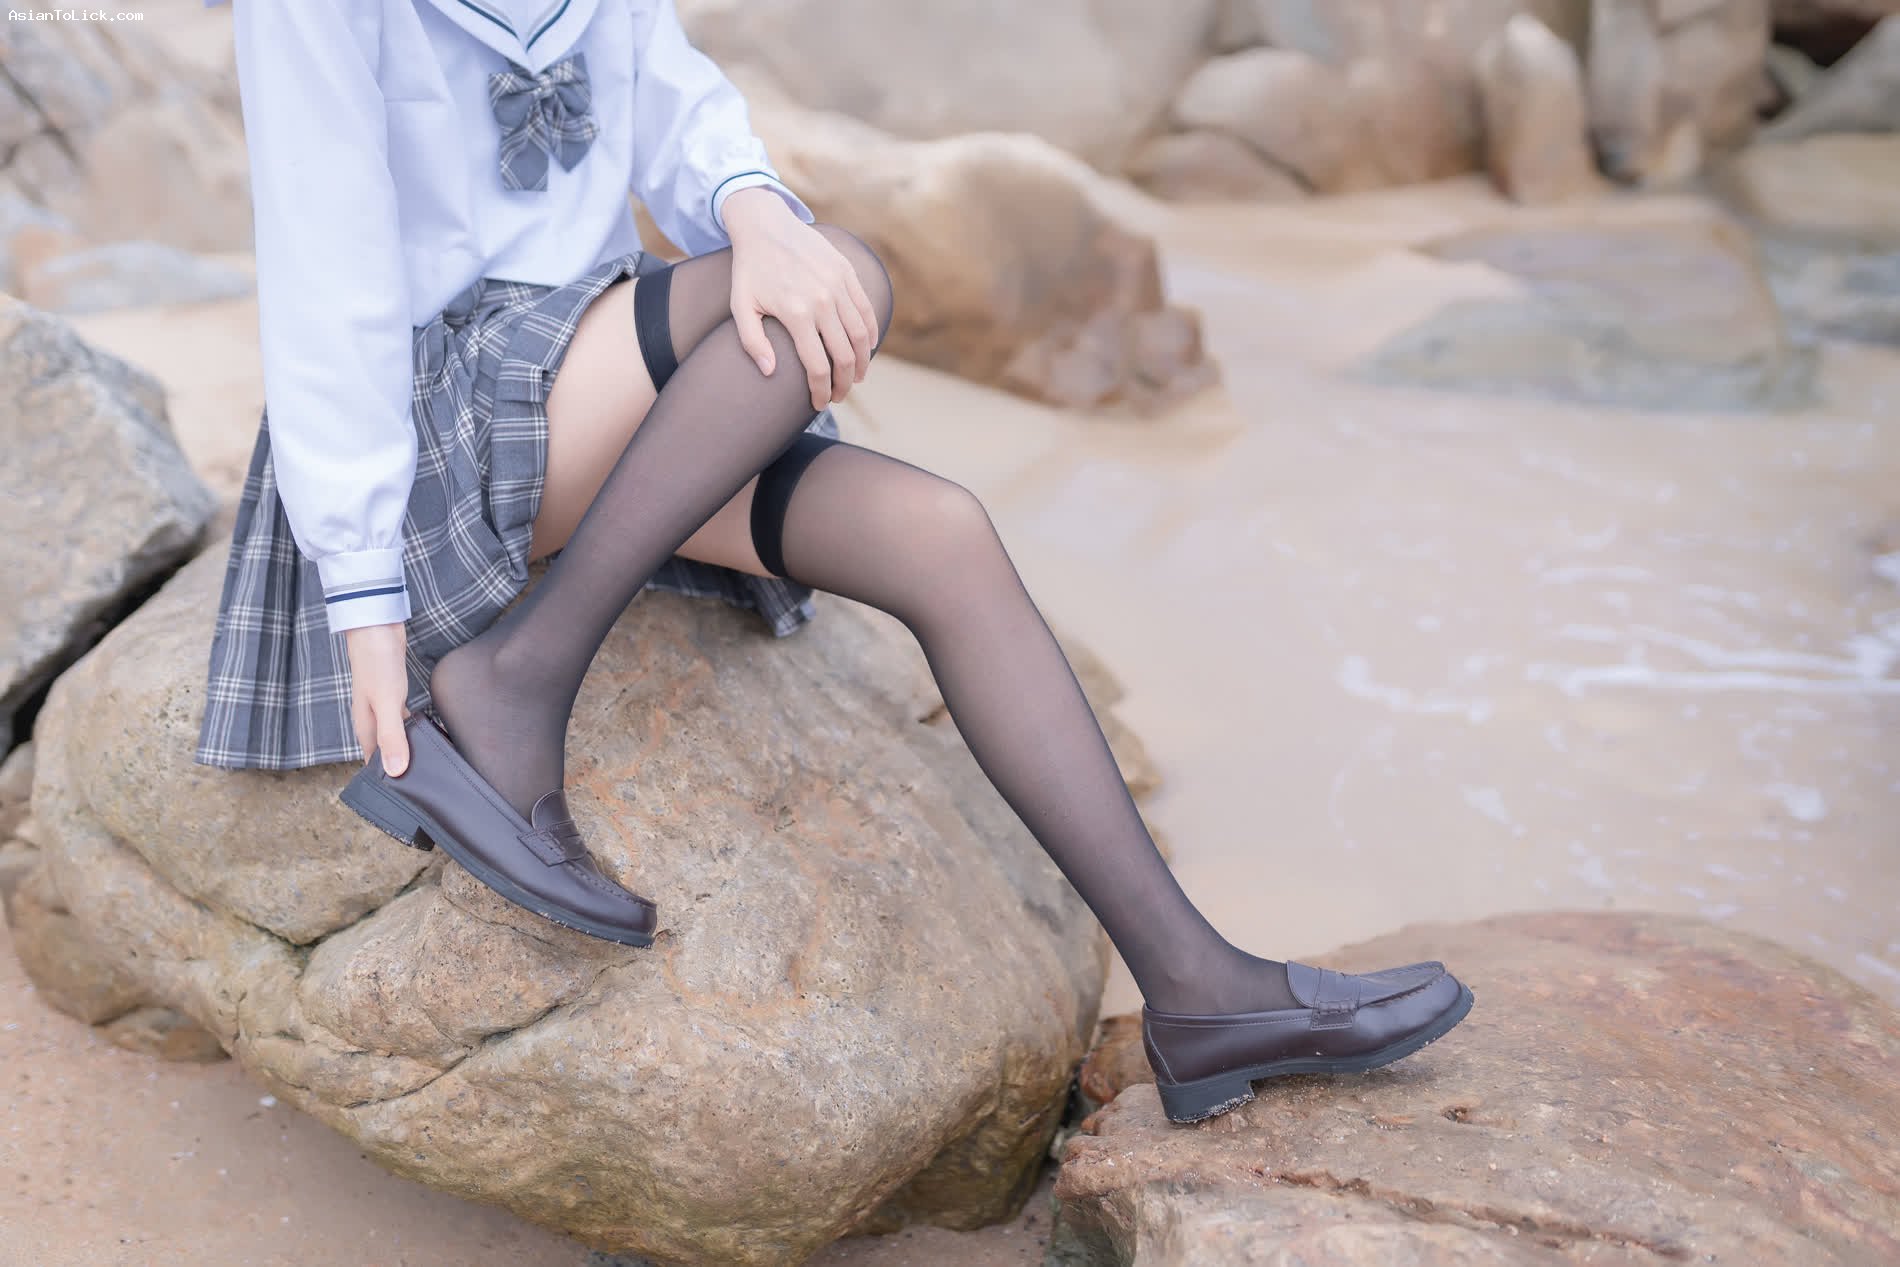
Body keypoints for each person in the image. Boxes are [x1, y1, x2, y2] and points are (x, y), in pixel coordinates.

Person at [194, 0, 1471, 1125]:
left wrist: (751, 209)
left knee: (939, 533)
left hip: (584, 387)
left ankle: (1200, 992)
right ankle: (515, 680)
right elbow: (324, 264)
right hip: (434, 418)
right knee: (839, 273)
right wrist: (360, 584)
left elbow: (672, 99)